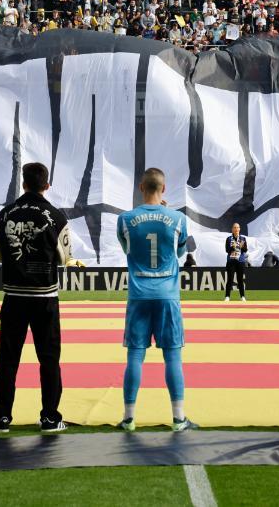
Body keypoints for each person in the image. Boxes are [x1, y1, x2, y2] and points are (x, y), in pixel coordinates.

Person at [0, 162, 72, 433]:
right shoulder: (56, 217)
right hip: (45, 297)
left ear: (23, 183)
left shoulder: (4, 214)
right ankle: (50, 417)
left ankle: (1, 418)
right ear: (46, 185)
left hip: (13, 296)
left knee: (8, 359)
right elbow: (65, 258)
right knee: (49, 359)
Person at [115, 168, 197, 432]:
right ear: (164, 188)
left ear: (141, 187)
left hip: (139, 295)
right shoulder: (178, 219)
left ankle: (128, 418)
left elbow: (128, 250)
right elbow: (180, 252)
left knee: (135, 357)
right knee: (173, 356)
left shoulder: (125, 219)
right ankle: (178, 418)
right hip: (167, 296)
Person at [224, 223, 248, 301]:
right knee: (230, 279)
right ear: (232, 229)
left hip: (240, 261)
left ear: (239, 229)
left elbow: (245, 250)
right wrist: (232, 247)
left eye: (237, 227)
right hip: (231, 261)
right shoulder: (229, 238)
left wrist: (242, 247)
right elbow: (227, 250)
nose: (236, 229)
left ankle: (242, 296)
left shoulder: (243, 238)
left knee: (240, 279)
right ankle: (227, 296)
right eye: (234, 227)